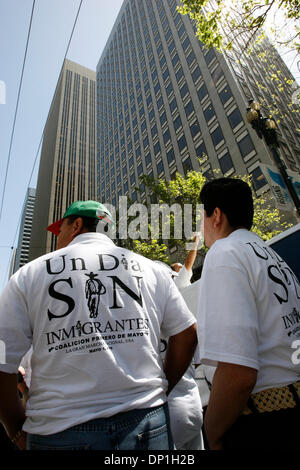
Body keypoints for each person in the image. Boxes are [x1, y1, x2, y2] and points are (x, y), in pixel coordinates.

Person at [0, 200, 197, 451]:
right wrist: (161, 387)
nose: (58, 237)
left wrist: (16, 429)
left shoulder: (29, 275)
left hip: (58, 430)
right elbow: (188, 333)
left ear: (77, 225)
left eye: (60, 230)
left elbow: (2, 357)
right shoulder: (150, 269)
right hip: (147, 420)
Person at [197, 177, 300, 450]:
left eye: (201, 218)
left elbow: (238, 372)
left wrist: (212, 432)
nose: (201, 228)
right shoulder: (270, 255)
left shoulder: (224, 252)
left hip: (263, 423)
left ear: (216, 215)